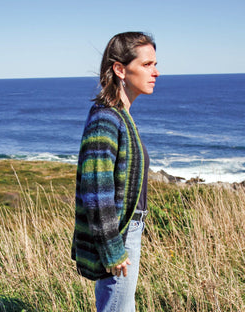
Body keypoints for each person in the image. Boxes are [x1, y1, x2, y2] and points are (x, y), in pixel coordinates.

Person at [71, 31, 160, 311]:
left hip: (129, 230)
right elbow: (96, 191)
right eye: (146, 65)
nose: (155, 72)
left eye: (155, 64)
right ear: (120, 69)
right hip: (119, 234)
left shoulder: (121, 115)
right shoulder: (106, 117)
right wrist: (112, 250)